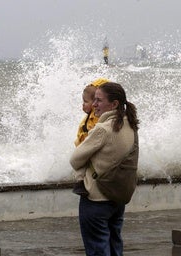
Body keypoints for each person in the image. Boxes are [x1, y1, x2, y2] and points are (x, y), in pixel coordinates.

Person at [70, 82, 139, 256]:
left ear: (114, 104)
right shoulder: (130, 124)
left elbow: (75, 159)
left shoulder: (102, 129)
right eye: (94, 100)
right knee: (115, 244)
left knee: (97, 248)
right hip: (118, 196)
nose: (94, 105)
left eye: (99, 100)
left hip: (96, 198)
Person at [73, 78, 110, 196]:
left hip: (88, 148)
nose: (83, 105)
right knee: (80, 168)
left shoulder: (99, 117)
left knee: (82, 167)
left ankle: (80, 183)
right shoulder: (91, 115)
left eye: (85, 102)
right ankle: (79, 182)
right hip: (82, 146)